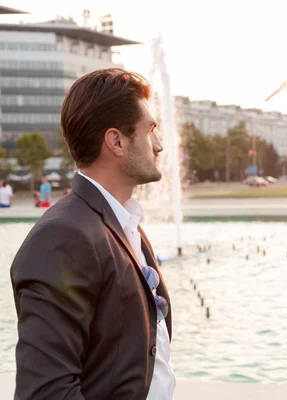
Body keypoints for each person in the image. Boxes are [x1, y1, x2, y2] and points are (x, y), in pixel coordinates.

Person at [10, 68, 175, 399]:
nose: (158, 145)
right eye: (150, 130)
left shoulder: (124, 224)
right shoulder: (64, 237)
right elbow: (46, 392)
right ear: (116, 141)